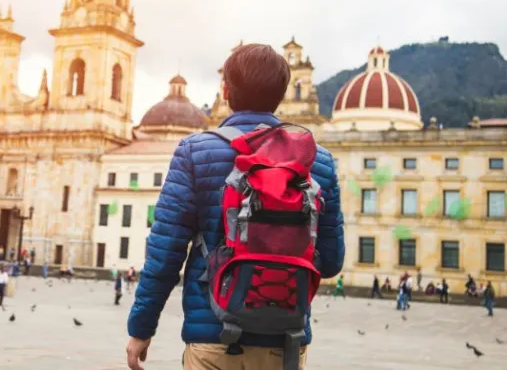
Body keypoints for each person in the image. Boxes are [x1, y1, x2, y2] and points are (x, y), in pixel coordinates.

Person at [126, 44, 345, 370]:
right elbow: (329, 262)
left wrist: (141, 328)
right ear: (281, 95)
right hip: (286, 340)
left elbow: (165, 253)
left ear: (226, 90)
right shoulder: (319, 161)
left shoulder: (193, 152)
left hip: (212, 337)